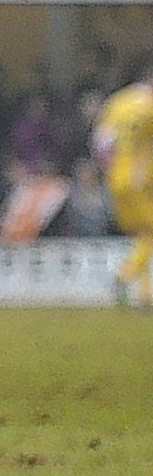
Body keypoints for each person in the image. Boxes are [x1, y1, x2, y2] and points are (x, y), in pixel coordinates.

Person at [92, 59, 153, 306]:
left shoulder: (117, 102)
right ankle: (123, 274)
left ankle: (144, 294)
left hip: (115, 177)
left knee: (141, 235)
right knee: (149, 234)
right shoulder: (149, 106)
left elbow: (100, 142)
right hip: (139, 179)